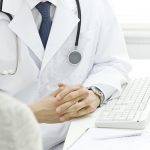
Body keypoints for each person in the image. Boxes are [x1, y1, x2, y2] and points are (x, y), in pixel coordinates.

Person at [0, 0, 131, 149]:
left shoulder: (93, 4)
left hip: (73, 136)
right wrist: (32, 113)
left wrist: (94, 93)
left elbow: (112, 62)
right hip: (9, 140)